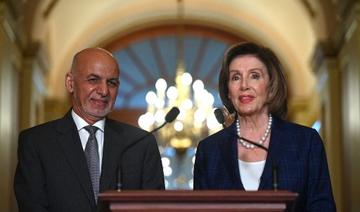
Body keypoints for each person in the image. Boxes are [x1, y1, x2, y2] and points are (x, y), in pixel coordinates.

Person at [14, 48, 164, 212]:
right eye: (93, 80)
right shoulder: (37, 143)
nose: (104, 91)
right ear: (70, 83)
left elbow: (154, 208)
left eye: (112, 83)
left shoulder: (141, 144)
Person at [193, 42, 336, 211]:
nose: (244, 85)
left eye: (254, 75)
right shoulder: (209, 151)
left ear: (271, 86)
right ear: (229, 91)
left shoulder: (306, 143)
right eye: (236, 77)